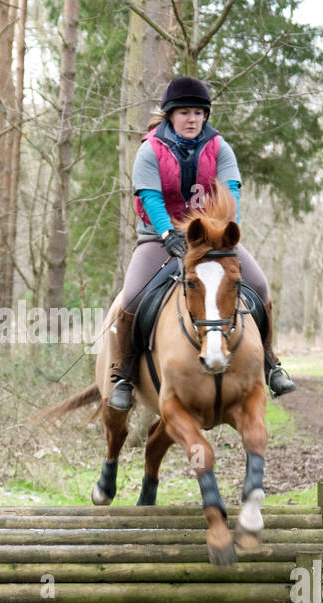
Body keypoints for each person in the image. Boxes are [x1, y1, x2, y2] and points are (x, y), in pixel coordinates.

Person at [108, 76, 295, 411]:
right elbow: (150, 198)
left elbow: (231, 191)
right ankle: (123, 375)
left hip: (211, 239)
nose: (192, 119)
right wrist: (168, 234)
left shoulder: (219, 147)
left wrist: (225, 231)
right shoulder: (149, 149)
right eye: (184, 113)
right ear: (170, 116)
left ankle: (270, 363)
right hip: (161, 238)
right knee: (133, 296)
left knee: (260, 286)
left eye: (198, 113)